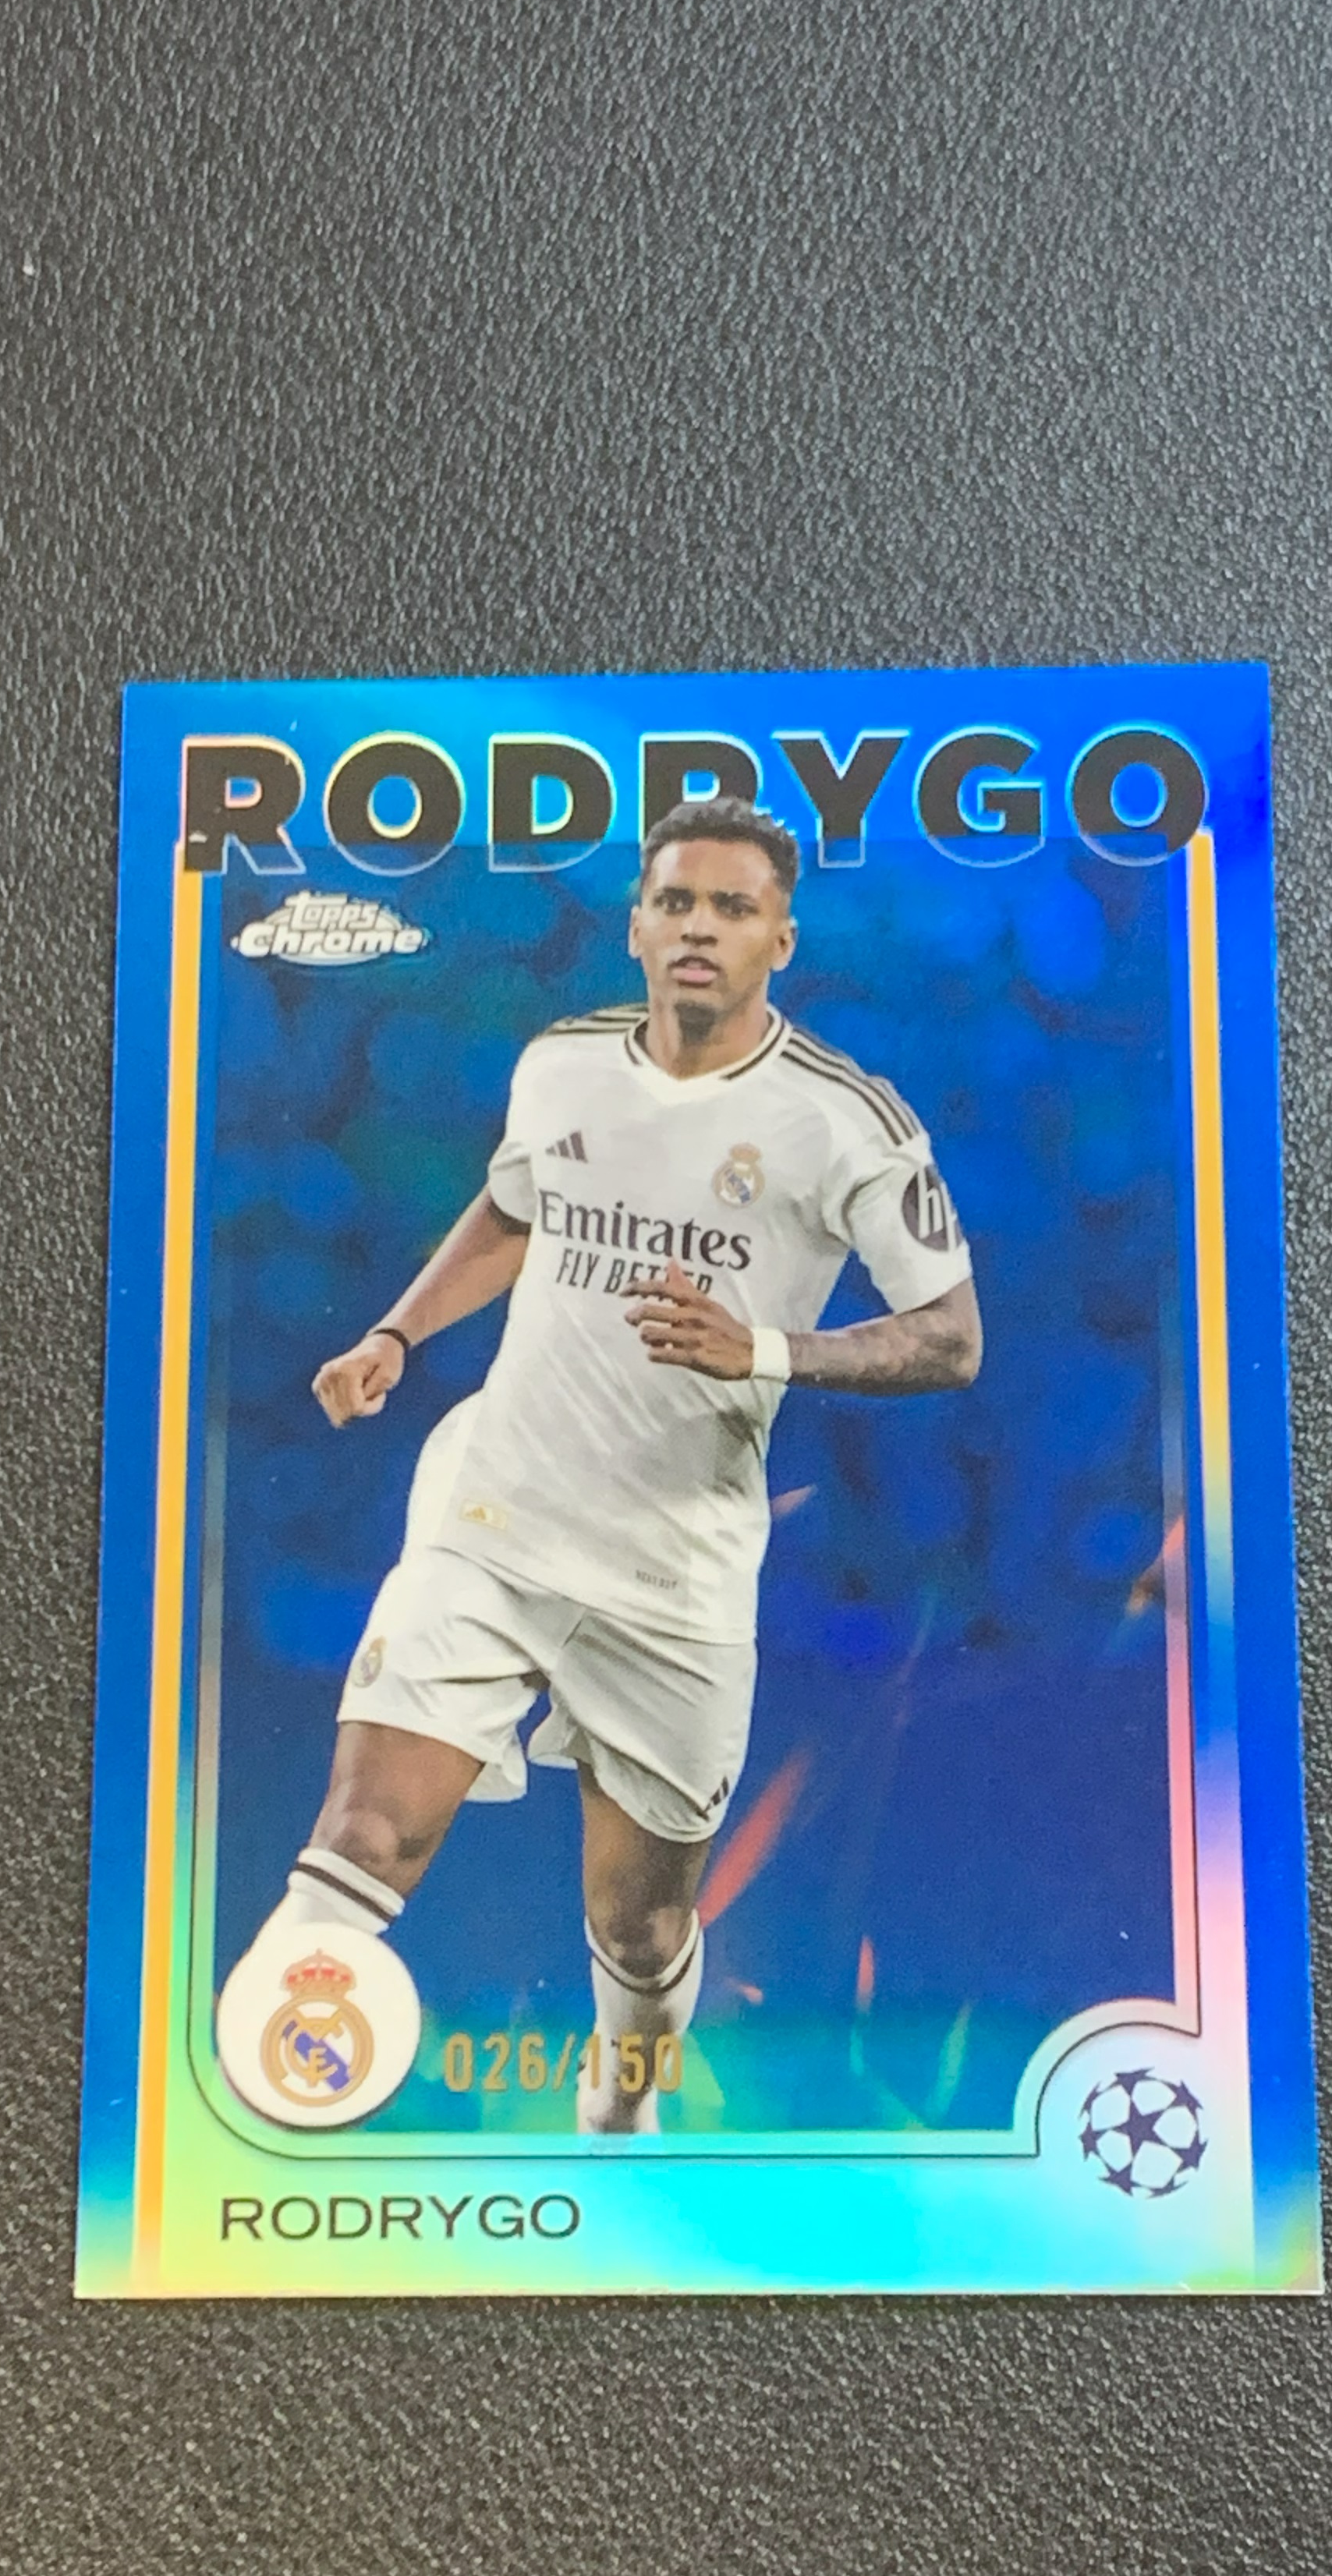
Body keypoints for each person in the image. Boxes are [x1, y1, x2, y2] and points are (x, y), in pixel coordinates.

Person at [221, 793, 983, 2131]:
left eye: (732, 908)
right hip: (494, 1517)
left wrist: (764, 1351)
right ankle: (274, 2102)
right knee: (364, 1838)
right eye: (675, 901)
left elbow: (951, 1338)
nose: (699, 928)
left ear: (781, 940)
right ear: (636, 924)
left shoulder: (847, 1122)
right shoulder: (562, 1065)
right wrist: (397, 1331)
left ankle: (622, 2109)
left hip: (675, 1573)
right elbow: (518, 1207)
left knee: (640, 1927)